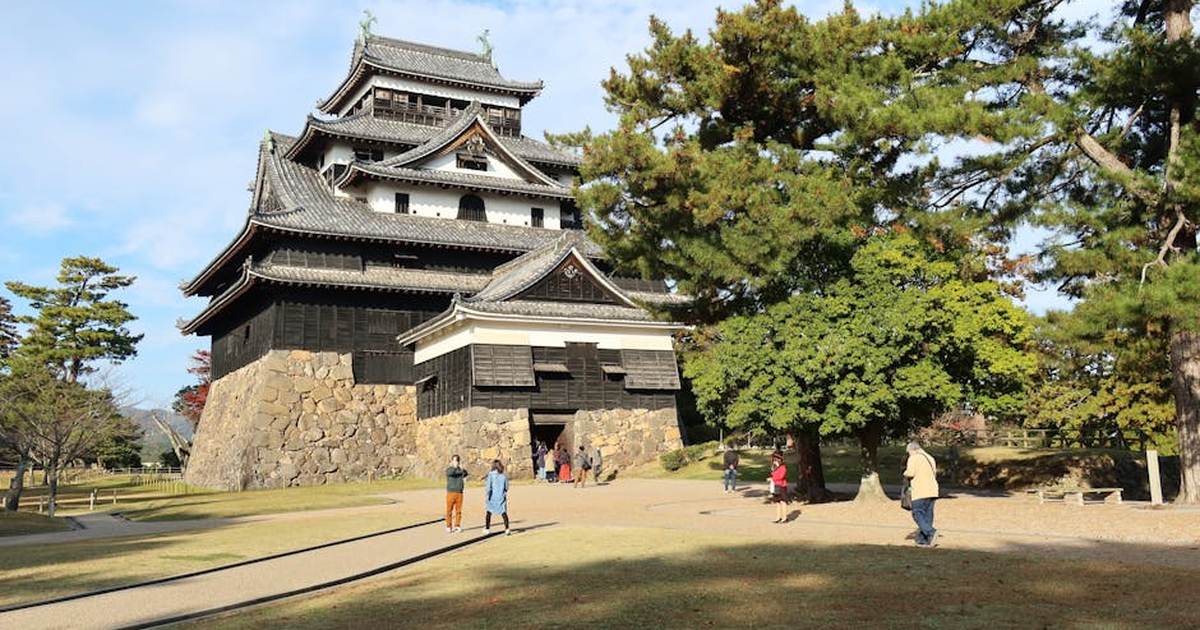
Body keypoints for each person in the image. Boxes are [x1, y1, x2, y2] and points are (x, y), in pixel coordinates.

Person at [903, 441, 939, 547]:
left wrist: (904, 472)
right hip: (932, 490)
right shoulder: (930, 458)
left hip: (920, 490)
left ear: (913, 450)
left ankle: (931, 532)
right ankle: (923, 540)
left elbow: (910, 473)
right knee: (928, 515)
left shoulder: (914, 458)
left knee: (917, 513)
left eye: (908, 452)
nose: (909, 454)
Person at [484, 459, 511, 535]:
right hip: (501, 496)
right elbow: (507, 487)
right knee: (503, 513)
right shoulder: (504, 476)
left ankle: (487, 528)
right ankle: (507, 529)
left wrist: (487, 495)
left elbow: (488, 487)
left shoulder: (491, 475)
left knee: (489, 512)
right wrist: (503, 492)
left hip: (492, 497)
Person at [444, 455, 467, 533]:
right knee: (449, 510)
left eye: (457, 461)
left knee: (458, 511)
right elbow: (452, 473)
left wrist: (461, 468)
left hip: (459, 493)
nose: (455, 462)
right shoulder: (449, 470)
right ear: (451, 462)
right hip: (451, 492)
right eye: (454, 461)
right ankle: (448, 526)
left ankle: (457, 525)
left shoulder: (461, 470)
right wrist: (455, 467)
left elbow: (465, 473)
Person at [768, 451, 789, 523]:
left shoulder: (783, 467)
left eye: (776, 459)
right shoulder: (775, 467)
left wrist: (772, 478)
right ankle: (778, 517)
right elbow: (773, 474)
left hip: (781, 486)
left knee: (783, 501)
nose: (775, 460)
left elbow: (781, 476)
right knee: (777, 502)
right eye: (774, 459)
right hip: (775, 485)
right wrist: (774, 469)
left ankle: (784, 518)